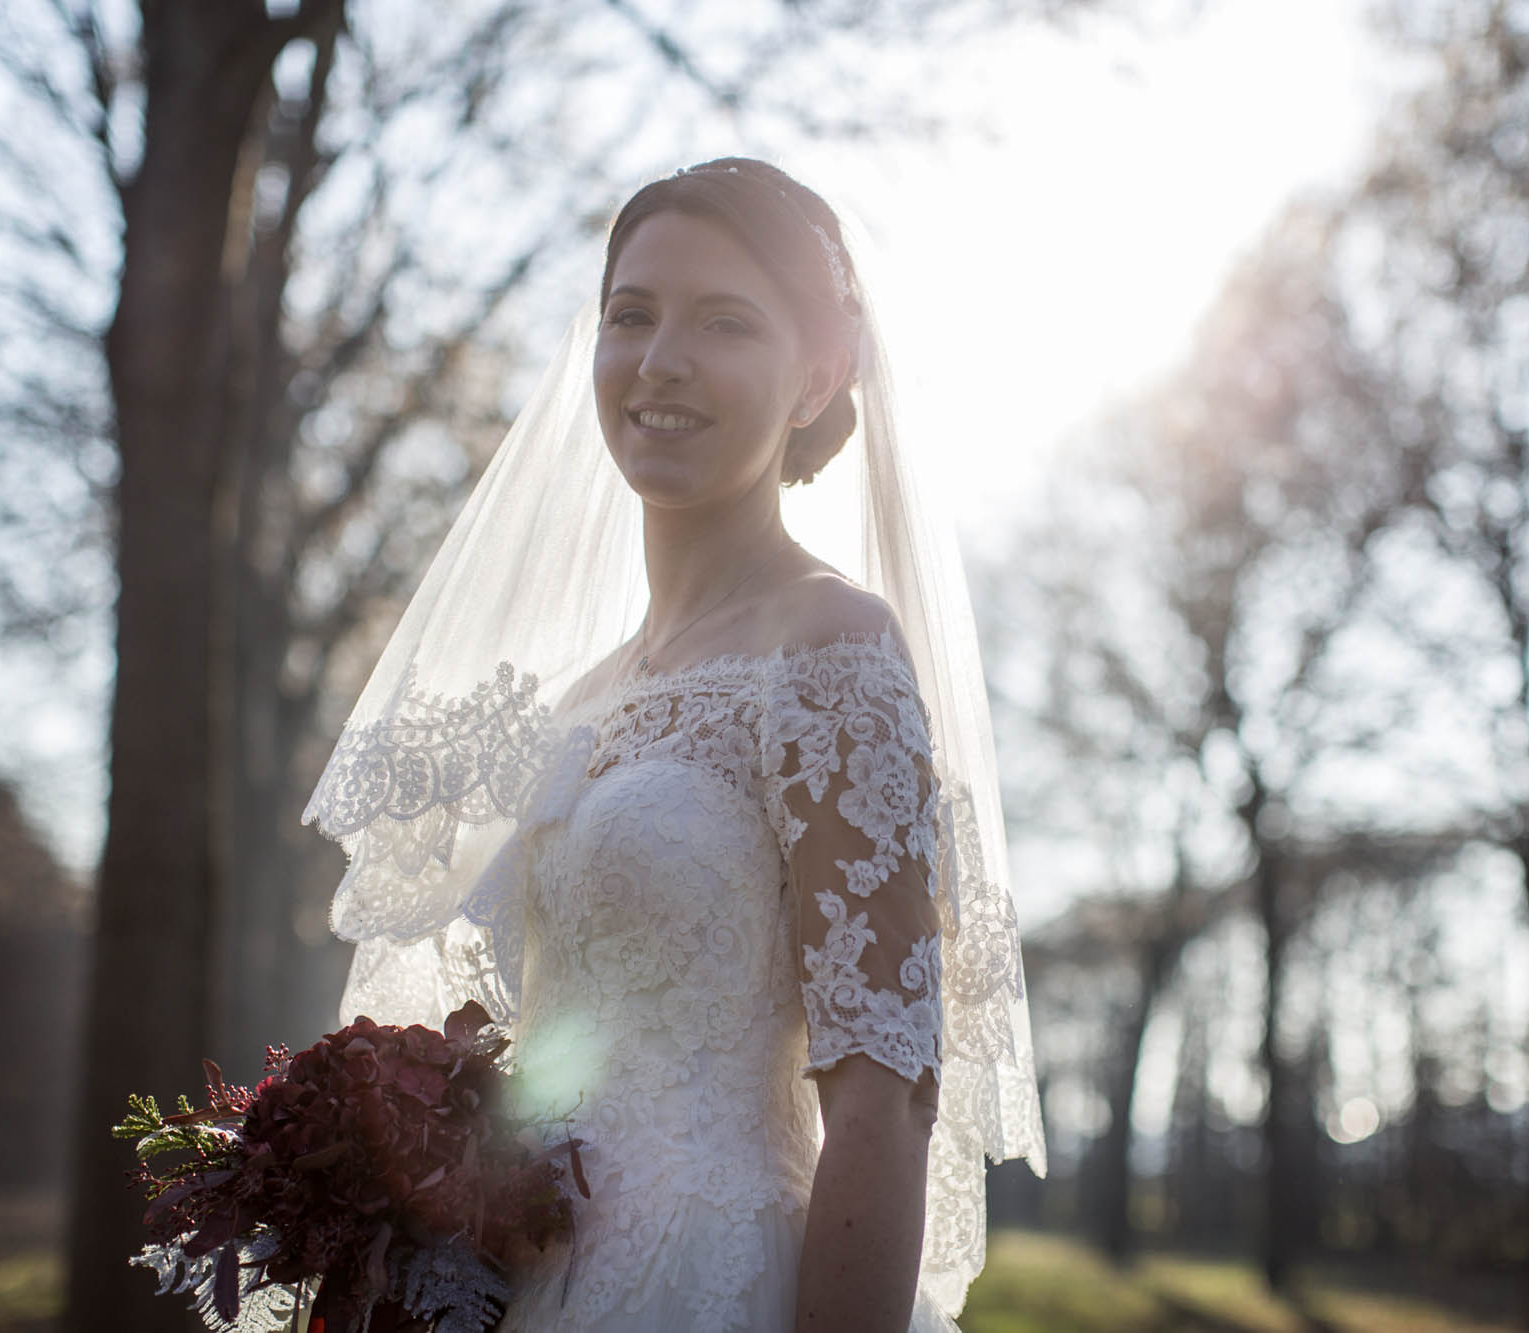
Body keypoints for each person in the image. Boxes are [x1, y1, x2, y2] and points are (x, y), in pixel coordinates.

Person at [305, 158, 1043, 1331]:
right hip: (526, 1286)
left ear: (818, 375)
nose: (660, 359)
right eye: (630, 316)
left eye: (724, 323)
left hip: (717, 1279)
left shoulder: (829, 648)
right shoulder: (574, 701)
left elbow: (885, 1099)